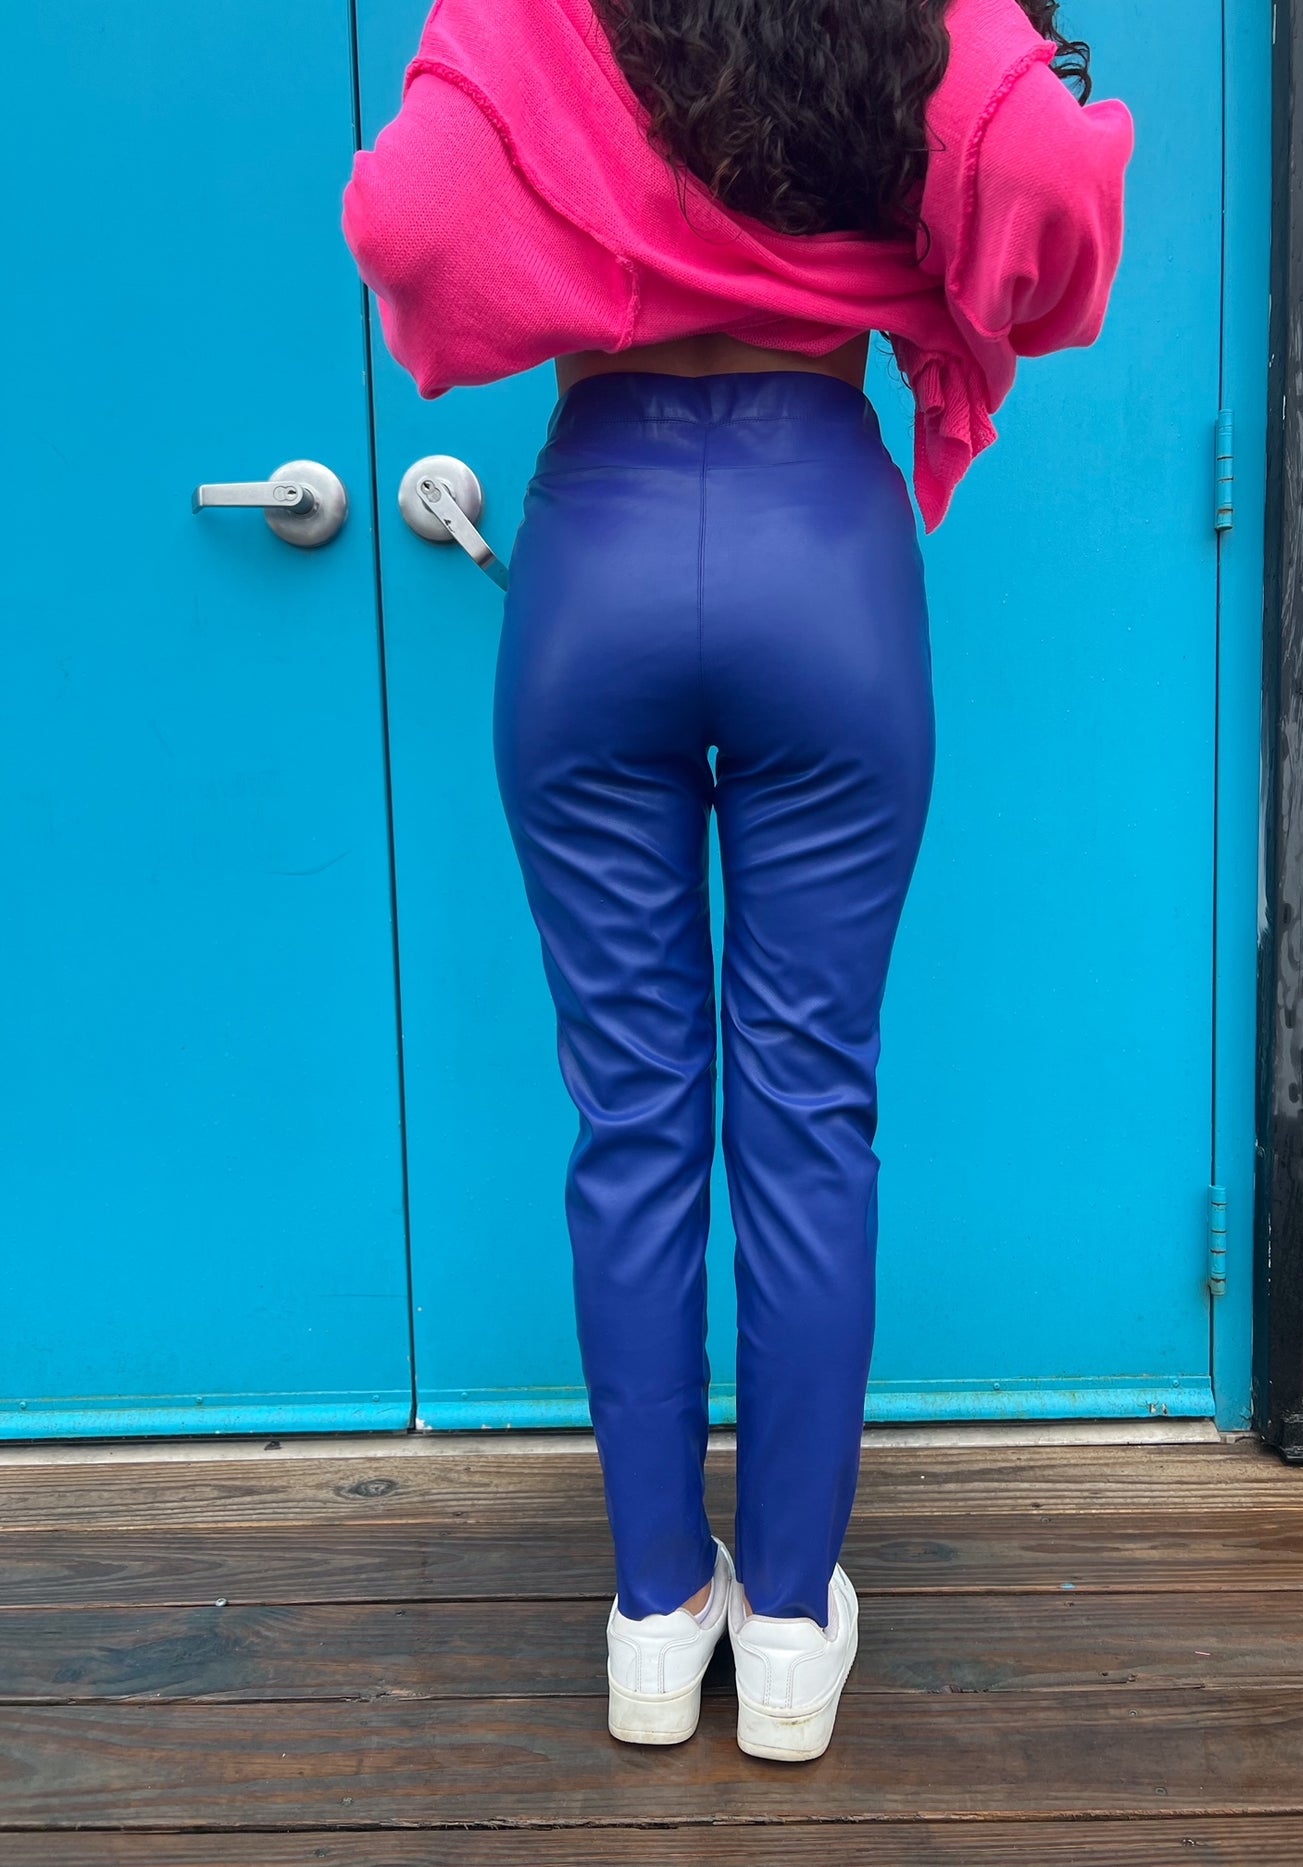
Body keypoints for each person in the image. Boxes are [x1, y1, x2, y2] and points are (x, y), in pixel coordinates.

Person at [343, 0, 1132, 1763]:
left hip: (600, 549)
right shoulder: (895, 13)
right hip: (820, 552)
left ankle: (653, 1617)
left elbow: (411, 217)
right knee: (810, 1110)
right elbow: (1056, 182)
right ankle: (783, 1624)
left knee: (630, 1112)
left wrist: (577, 245)